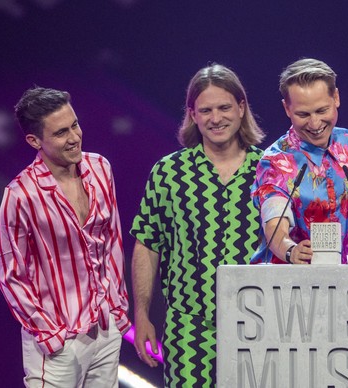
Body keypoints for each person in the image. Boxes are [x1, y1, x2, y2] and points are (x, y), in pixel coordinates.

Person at [130, 64, 265, 387]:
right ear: (192, 114)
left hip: (259, 323)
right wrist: (142, 313)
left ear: (241, 107)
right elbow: (148, 245)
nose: (215, 118)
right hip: (188, 328)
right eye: (205, 110)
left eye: (224, 108)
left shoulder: (270, 170)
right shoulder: (168, 172)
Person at [0, 87, 130, 387]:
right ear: (34, 141)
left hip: (106, 328)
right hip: (58, 341)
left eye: (75, 125)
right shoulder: (20, 195)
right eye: (60, 133)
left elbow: (112, 241)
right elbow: (11, 274)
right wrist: (49, 333)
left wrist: (118, 306)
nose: (74, 137)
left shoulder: (100, 168)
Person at [251, 58, 348, 265]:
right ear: (287, 108)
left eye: (322, 111)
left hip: (344, 284)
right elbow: (275, 226)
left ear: (336, 97)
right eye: (303, 114)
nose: (314, 123)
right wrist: (291, 251)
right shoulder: (275, 161)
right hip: (287, 285)